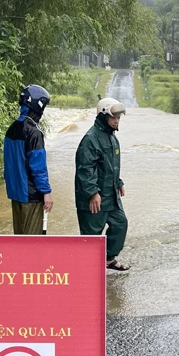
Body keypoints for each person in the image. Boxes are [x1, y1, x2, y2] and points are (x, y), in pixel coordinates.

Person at [75, 98, 130, 271]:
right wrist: (92, 193)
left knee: (120, 224)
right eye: (114, 117)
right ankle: (86, 271)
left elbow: (111, 166)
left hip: (111, 195)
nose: (117, 121)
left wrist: (119, 182)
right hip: (94, 197)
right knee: (91, 236)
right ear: (103, 116)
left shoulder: (112, 138)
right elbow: (85, 168)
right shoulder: (90, 139)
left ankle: (108, 259)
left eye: (119, 118)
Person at [4, 84, 54, 235]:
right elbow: (38, 168)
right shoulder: (34, 133)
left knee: (19, 239)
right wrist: (46, 192)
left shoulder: (12, 128)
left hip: (16, 194)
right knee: (33, 242)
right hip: (31, 196)